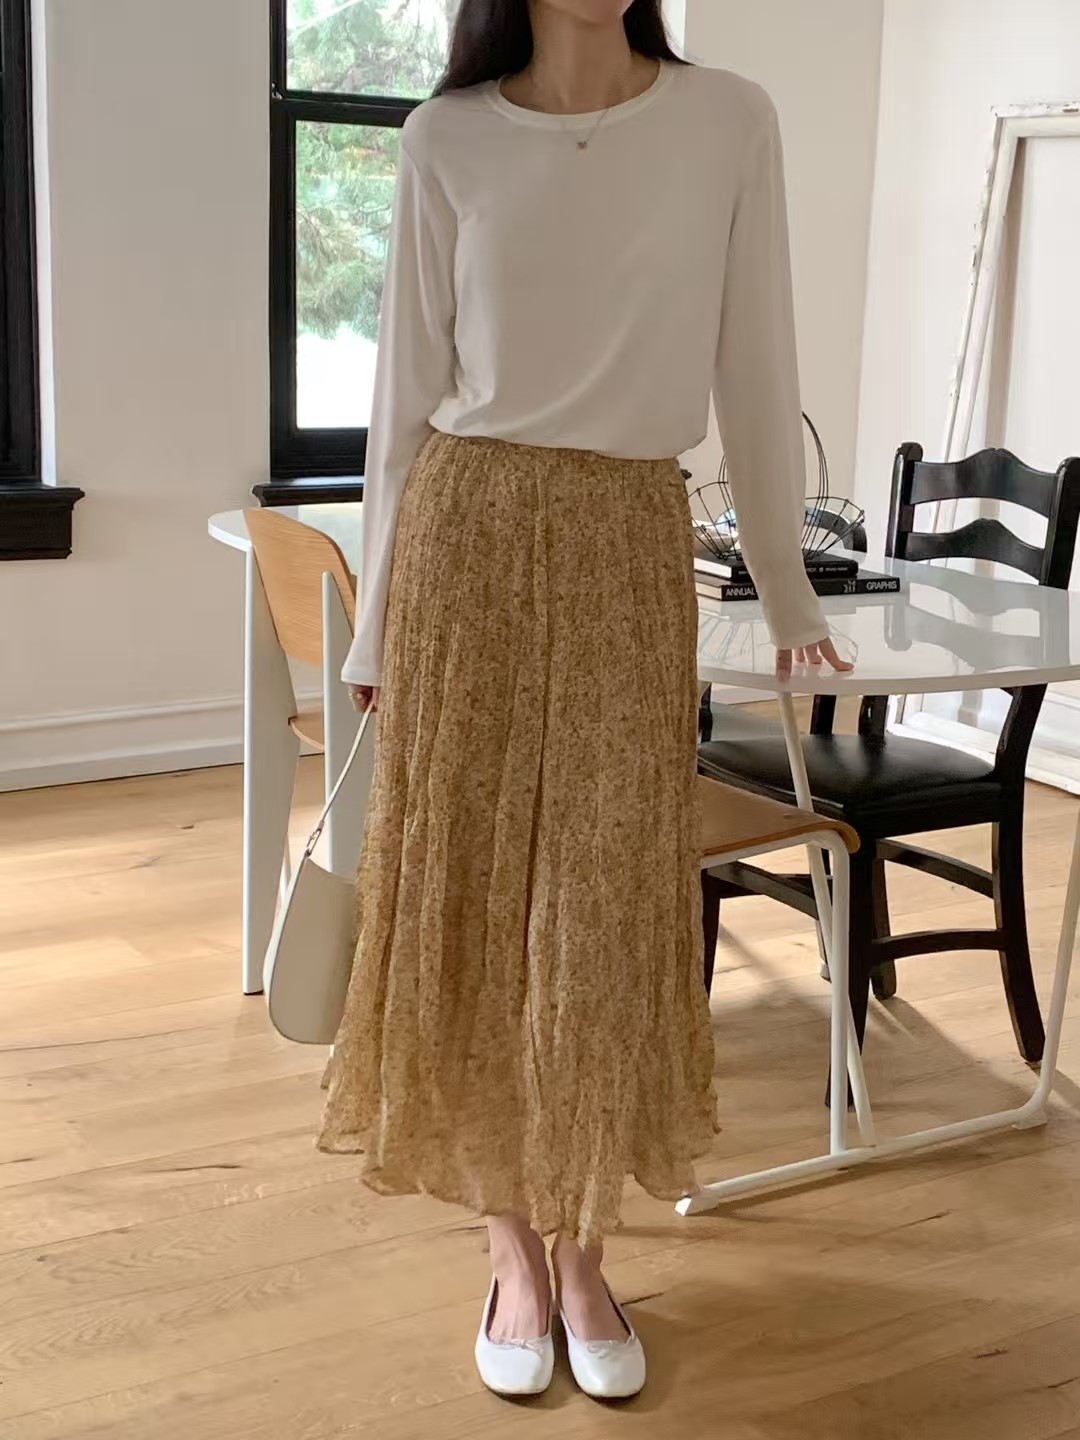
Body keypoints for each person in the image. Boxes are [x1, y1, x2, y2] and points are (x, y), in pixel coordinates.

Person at [320, 0, 852, 1401]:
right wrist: (375, 620)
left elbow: (758, 363)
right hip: (469, 537)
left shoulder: (726, 120)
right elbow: (404, 402)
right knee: (475, 895)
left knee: (606, 902)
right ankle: (511, 1244)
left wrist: (788, 590)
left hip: (627, 541)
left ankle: (586, 1248)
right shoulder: (446, 138)